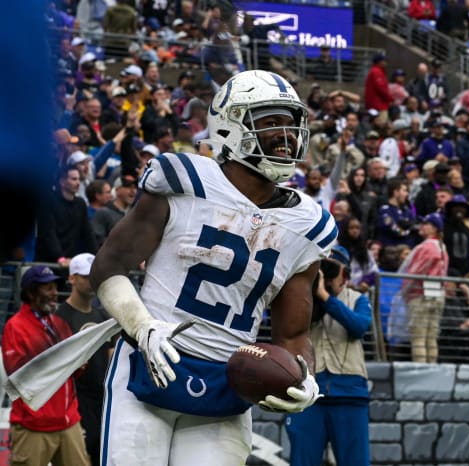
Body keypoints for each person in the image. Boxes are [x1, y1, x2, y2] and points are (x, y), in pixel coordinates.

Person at [90, 70, 334, 465]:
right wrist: (141, 325)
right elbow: (106, 268)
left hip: (230, 380)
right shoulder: (183, 179)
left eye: (292, 124)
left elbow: (293, 333)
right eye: (271, 122)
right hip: (148, 362)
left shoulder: (308, 223)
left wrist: (303, 376)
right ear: (230, 127)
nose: (286, 135)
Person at [286, 246, 372, 466]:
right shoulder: (304, 300)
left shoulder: (358, 299)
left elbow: (359, 327)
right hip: (309, 394)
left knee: (356, 461)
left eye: (332, 268)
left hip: (350, 393)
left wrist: (326, 297)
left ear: (345, 273)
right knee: (302, 460)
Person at [2, 266, 90, 466]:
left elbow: (70, 374)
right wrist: (55, 359)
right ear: (31, 292)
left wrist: (79, 364)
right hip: (33, 425)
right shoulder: (15, 326)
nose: (54, 293)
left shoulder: (59, 323)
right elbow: (17, 375)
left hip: (69, 422)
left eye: (55, 287)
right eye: (48, 288)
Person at [55, 253, 113, 466]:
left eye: (94, 276)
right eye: (85, 276)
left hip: (103, 397)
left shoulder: (101, 316)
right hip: (77, 399)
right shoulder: (60, 317)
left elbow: (108, 352)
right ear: (72, 278)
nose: (91, 282)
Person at [398, 213, 449, 363]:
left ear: (434, 228)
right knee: (431, 337)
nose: (422, 226)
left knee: (419, 337)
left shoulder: (426, 247)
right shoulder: (443, 247)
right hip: (438, 295)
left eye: (426, 223)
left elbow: (415, 272)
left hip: (420, 296)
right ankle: (431, 369)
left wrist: (404, 291)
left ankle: (420, 371)